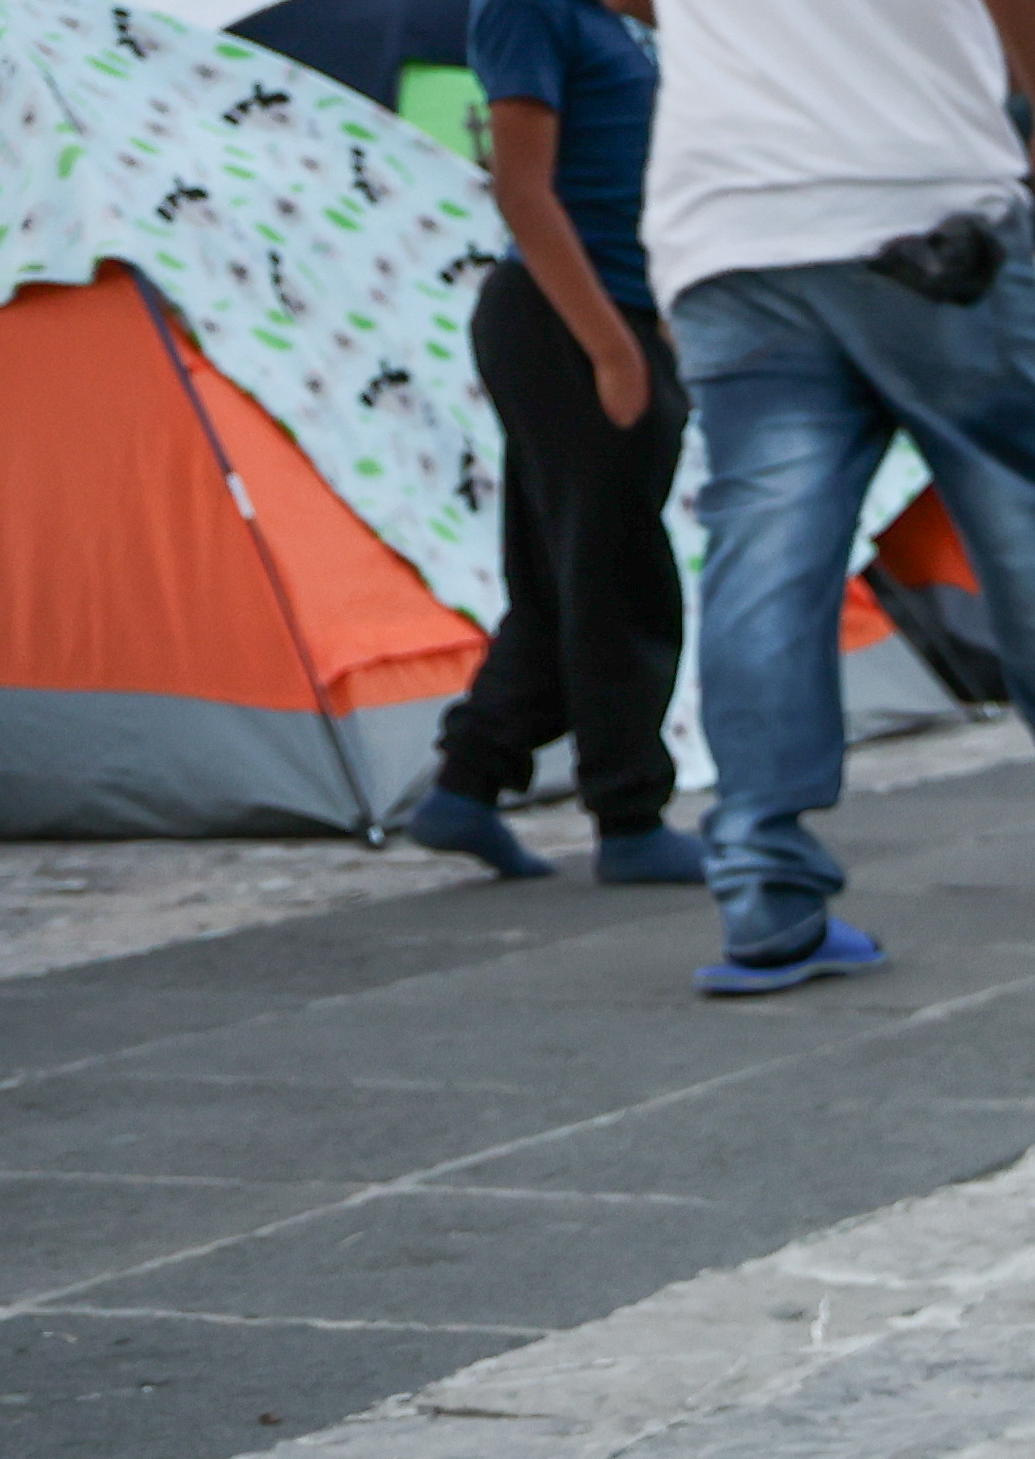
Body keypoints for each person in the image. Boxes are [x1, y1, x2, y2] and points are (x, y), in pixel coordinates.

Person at [647, 0, 1035, 994]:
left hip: (728, 219)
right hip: (917, 193)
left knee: (764, 552)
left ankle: (763, 886)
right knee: (1018, 511)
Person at [408, 0, 702, 890]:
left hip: (624, 319)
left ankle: (467, 783)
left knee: (558, 576)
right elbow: (522, 190)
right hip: (566, 324)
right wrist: (611, 349)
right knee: (619, 576)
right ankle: (630, 817)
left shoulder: (625, 26)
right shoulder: (530, 9)